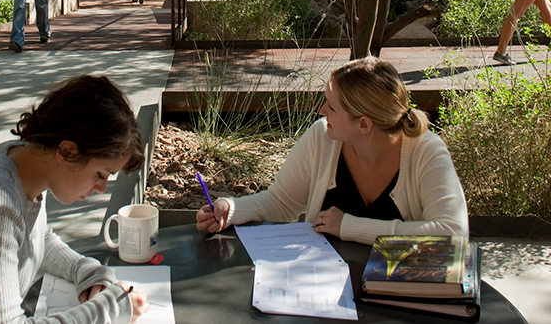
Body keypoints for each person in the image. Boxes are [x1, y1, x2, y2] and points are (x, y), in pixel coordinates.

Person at [0, 75, 151, 324]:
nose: (101, 188)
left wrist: (85, 269)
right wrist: (108, 310)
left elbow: (37, 237)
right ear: (67, 151)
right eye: (100, 174)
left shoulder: (20, 161)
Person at [196, 57, 469, 245]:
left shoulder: (427, 152)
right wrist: (231, 209)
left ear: (364, 124)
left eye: (332, 107)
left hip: (396, 298)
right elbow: (281, 203)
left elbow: (453, 235)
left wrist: (349, 227)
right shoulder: (322, 137)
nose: (321, 111)